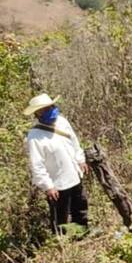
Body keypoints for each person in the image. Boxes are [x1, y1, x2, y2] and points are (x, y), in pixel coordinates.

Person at [24, 93, 89, 234]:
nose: (51, 110)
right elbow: (37, 165)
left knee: (80, 207)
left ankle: (82, 233)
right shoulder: (34, 136)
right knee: (60, 217)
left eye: (51, 106)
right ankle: (61, 243)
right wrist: (48, 186)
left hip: (74, 174)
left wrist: (80, 160)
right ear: (37, 113)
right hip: (57, 184)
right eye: (46, 109)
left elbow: (74, 142)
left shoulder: (62, 122)